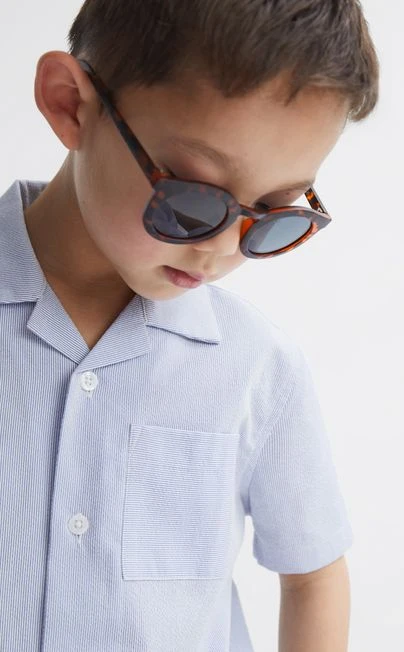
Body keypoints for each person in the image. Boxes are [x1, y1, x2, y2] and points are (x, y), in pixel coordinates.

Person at [0, 1, 379, 650]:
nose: (222, 249)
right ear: (69, 105)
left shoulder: (256, 364)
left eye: (273, 213)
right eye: (192, 197)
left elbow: (313, 572)